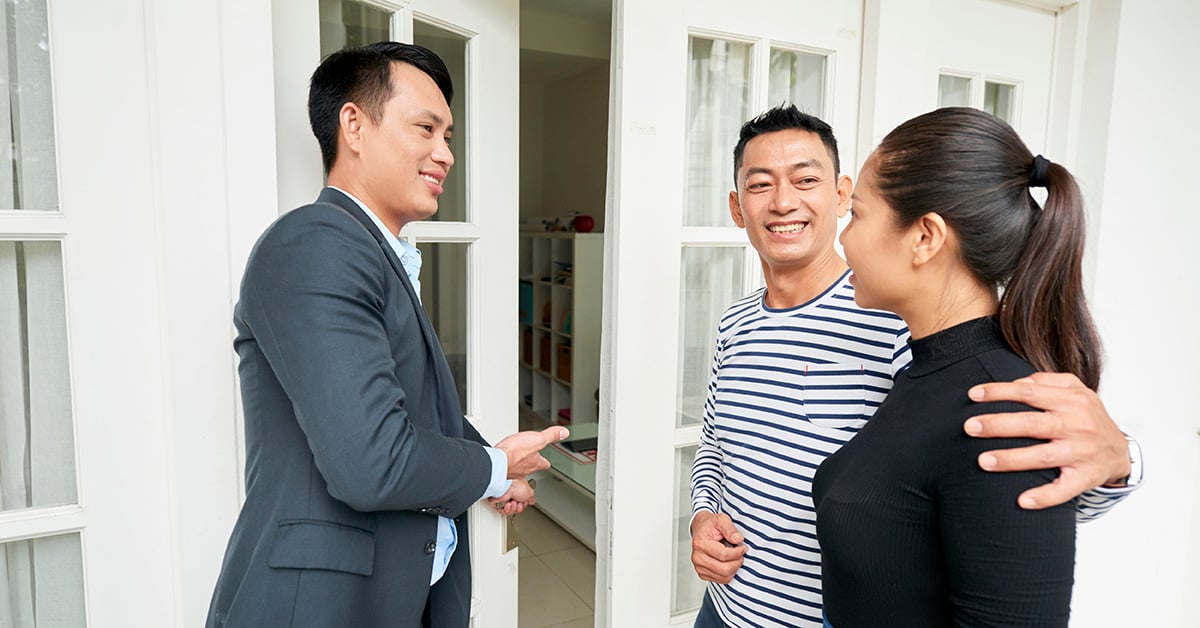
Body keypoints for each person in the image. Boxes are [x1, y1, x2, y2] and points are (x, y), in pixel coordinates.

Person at [689, 105, 1141, 628]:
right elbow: (714, 443)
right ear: (737, 206)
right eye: (760, 184)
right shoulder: (736, 323)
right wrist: (702, 513)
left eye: (806, 180)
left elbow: (1022, 487)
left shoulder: (901, 322)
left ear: (840, 195)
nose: (783, 201)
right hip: (724, 609)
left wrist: (1122, 462)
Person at [206, 42, 567, 628]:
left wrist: (495, 465)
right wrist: (492, 467)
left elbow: (407, 410)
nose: (445, 154)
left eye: (448, 136)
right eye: (426, 128)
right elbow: (372, 460)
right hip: (319, 608)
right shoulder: (315, 243)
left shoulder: (371, 251)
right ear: (353, 125)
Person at [812, 106, 1102, 626]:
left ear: (925, 237)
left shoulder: (1006, 413)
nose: (843, 237)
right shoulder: (926, 372)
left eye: (857, 214)